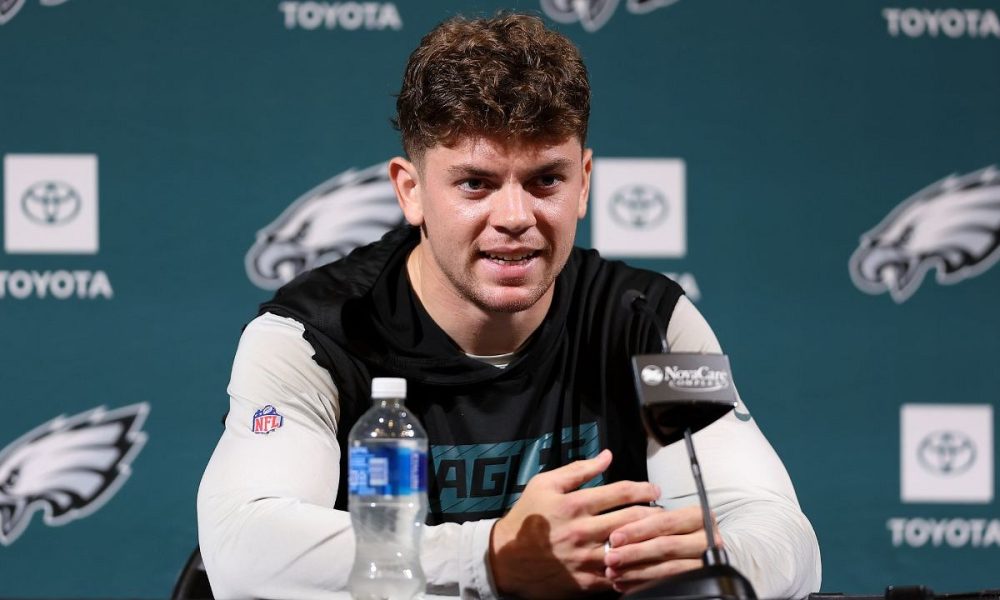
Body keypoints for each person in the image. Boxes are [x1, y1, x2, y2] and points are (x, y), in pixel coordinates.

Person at [198, 13, 821, 600]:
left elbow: (782, 534)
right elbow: (241, 549)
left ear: (584, 182)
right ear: (411, 191)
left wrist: (713, 557)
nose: (516, 217)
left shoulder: (646, 319)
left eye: (546, 180)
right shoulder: (313, 336)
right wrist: (491, 558)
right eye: (475, 184)